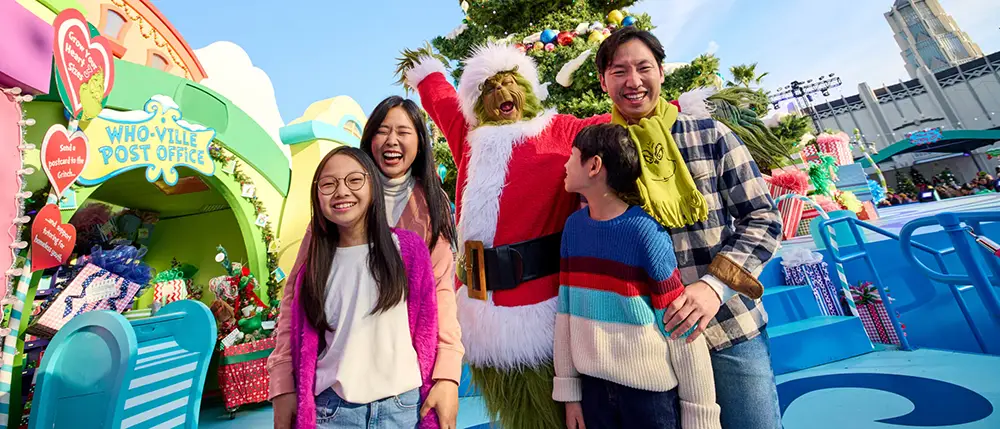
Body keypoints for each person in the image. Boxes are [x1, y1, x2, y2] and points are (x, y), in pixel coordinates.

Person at [596, 26, 783, 428]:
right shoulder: (598, 157)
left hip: (727, 327)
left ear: (661, 73)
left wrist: (714, 286)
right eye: (619, 71)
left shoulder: (710, 134)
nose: (633, 81)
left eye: (644, 67)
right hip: (646, 343)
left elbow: (763, 218)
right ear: (603, 81)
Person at [554, 124, 721, 429]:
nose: (565, 165)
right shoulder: (573, 229)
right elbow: (565, 313)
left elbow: (679, 325)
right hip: (594, 395)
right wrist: (570, 394)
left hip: (650, 401)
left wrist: (700, 416)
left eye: (572, 156)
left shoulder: (646, 232)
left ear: (594, 165)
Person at [268, 147, 441, 429]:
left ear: (373, 185)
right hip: (333, 411)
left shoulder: (408, 250)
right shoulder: (313, 268)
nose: (341, 191)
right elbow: (301, 338)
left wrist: (437, 386)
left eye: (354, 180)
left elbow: (427, 330)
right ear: (317, 195)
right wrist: (284, 388)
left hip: (402, 409)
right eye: (328, 184)